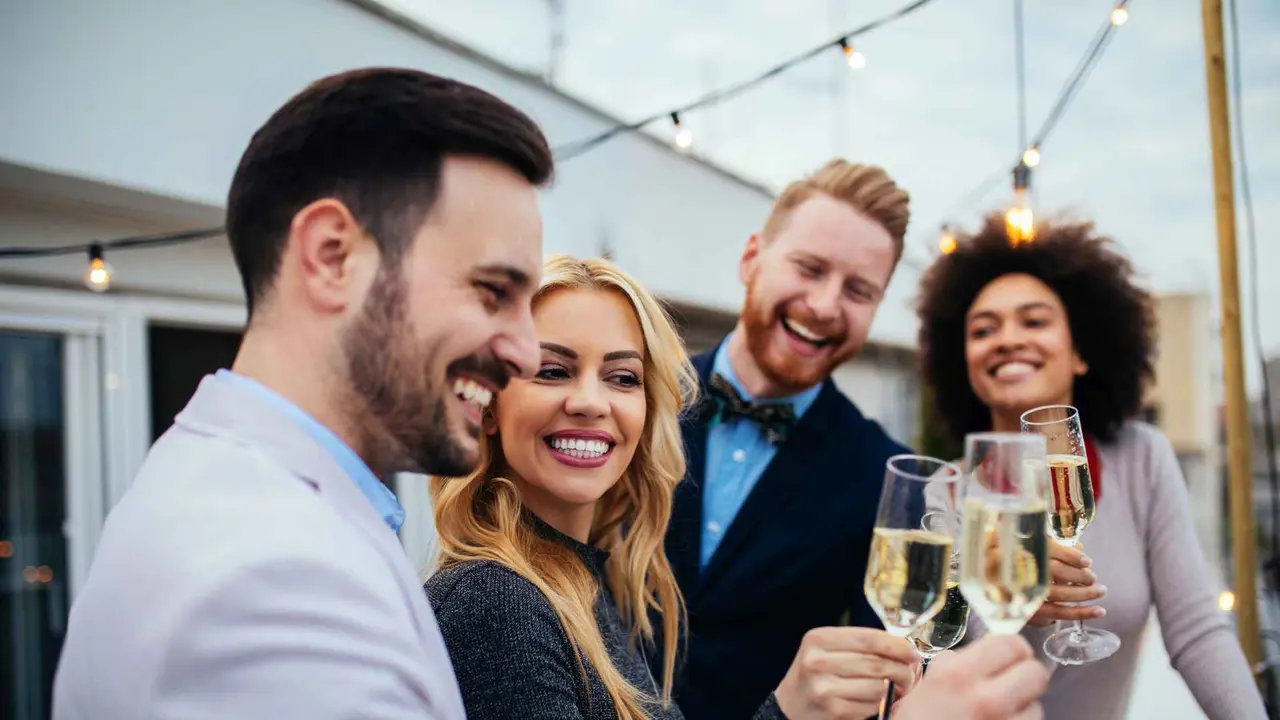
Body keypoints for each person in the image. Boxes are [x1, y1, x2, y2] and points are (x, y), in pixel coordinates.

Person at [52, 67, 554, 719]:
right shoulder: (270, 584)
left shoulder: (244, 497)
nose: (527, 352)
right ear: (331, 257)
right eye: (493, 291)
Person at [425, 254, 1050, 720]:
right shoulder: (493, 601)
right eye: (553, 370)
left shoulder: (584, 581)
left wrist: (791, 705)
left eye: (622, 377)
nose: (590, 402)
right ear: (487, 406)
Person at [916, 213, 1266, 719]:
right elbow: (931, 670)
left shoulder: (1141, 458)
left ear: (1081, 353)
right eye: (983, 329)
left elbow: (1197, 632)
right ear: (962, 361)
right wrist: (1023, 620)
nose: (1007, 339)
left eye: (1034, 321)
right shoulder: (945, 494)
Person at [660, 159, 918, 720]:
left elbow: (895, 681)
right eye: (809, 267)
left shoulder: (887, 473)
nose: (825, 307)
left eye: (858, 290)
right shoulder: (638, 399)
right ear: (752, 258)